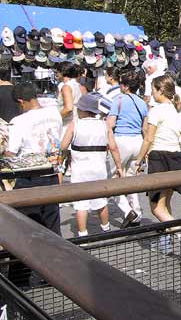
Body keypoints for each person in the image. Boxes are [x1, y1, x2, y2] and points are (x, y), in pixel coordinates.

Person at [5, 82, 63, 287]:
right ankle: (55, 274)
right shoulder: (54, 113)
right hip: (51, 174)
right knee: (51, 226)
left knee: (23, 229)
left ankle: (20, 279)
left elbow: (11, 152)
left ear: (21, 102)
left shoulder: (19, 121)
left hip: (29, 177)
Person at [61, 94, 123, 237]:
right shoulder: (104, 124)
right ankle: (105, 227)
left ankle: (83, 233)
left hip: (79, 169)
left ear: (82, 110)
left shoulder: (75, 124)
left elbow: (64, 145)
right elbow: (113, 147)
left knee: (80, 203)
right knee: (101, 200)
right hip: (99, 168)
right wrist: (119, 166)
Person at [135, 75, 181, 223]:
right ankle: (168, 238)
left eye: (153, 90)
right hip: (176, 156)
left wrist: (138, 161)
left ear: (160, 90)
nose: (152, 93)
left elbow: (148, 139)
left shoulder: (156, 111)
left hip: (158, 157)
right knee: (166, 202)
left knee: (156, 207)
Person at [106, 70, 149, 227]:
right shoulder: (142, 102)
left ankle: (126, 210)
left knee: (112, 178)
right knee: (131, 179)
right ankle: (137, 212)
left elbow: (110, 125)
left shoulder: (118, 100)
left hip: (121, 140)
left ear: (124, 86)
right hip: (137, 141)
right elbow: (145, 128)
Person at [57, 62, 83, 128]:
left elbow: (68, 108)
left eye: (57, 71)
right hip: (77, 122)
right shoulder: (78, 85)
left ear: (62, 72)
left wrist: (56, 119)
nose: (56, 74)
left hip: (68, 124)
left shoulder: (66, 87)